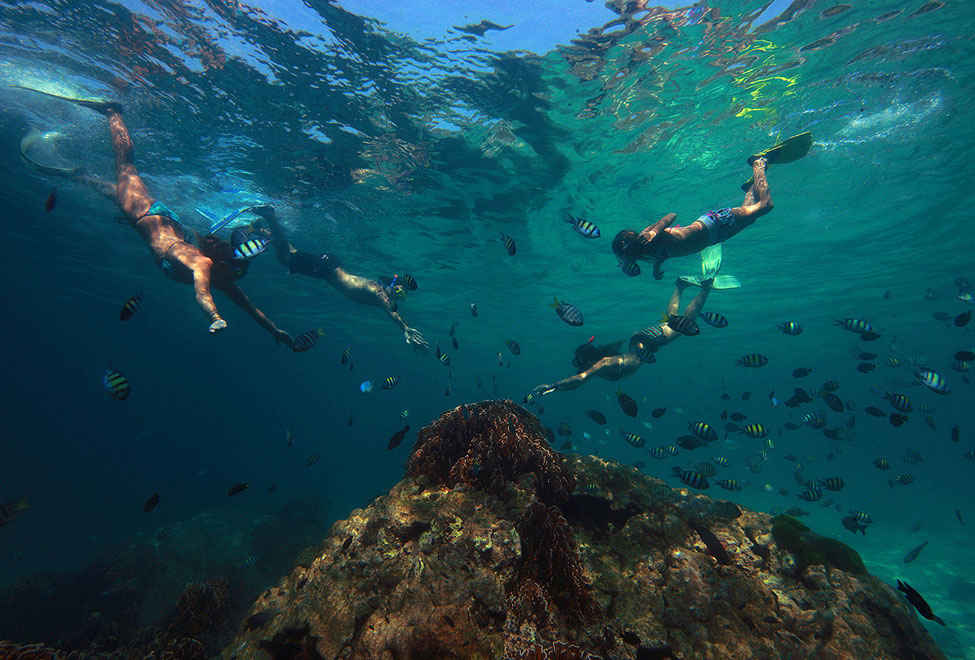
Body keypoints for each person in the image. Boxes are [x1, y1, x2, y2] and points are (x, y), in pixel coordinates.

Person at [17, 91, 295, 345]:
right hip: (144, 214)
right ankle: (113, 112)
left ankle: (79, 175)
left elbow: (251, 309)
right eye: (235, 271)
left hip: (158, 219)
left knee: (115, 190)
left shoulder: (221, 279)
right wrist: (214, 317)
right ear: (221, 262)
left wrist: (275, 331)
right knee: (125, 166)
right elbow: (202, 294)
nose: (235, 277)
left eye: (237, 273)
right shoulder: (200, 262)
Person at [247, 204, 429, 352]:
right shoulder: (378, 291)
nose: (398, 297)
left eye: (402, 296)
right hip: (327, 269)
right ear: (392, 287)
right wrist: (405, 328)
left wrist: (405, 325)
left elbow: (391, 309)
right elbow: (391, 311)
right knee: (286, 259)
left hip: (331, 266)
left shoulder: (380, 291)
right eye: (399, 292)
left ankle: (262, 231)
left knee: (292, 254)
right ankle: (269, 215)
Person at [528, 278, 712, 398]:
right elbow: (579, 379)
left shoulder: (604, 364)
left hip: (646, 342)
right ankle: (679, 286)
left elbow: (580, 380)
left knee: (683, 326)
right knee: (673, 323)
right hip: (640, 341)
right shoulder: (602, 365)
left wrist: (553, 386)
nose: (578, 366)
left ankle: (705, 288)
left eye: (579, 362)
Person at [612, 156, 773, 280]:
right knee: (751, 218)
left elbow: (671, 216)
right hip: (715, 238)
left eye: (620, 255)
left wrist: (654, 232)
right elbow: (664, 252)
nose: (621, 260)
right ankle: (751, 189)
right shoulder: (647, 253)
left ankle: (758, 163)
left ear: (626, 247)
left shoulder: (646, 237)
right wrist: (656, 267)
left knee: (765, 206)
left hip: (713, 223)